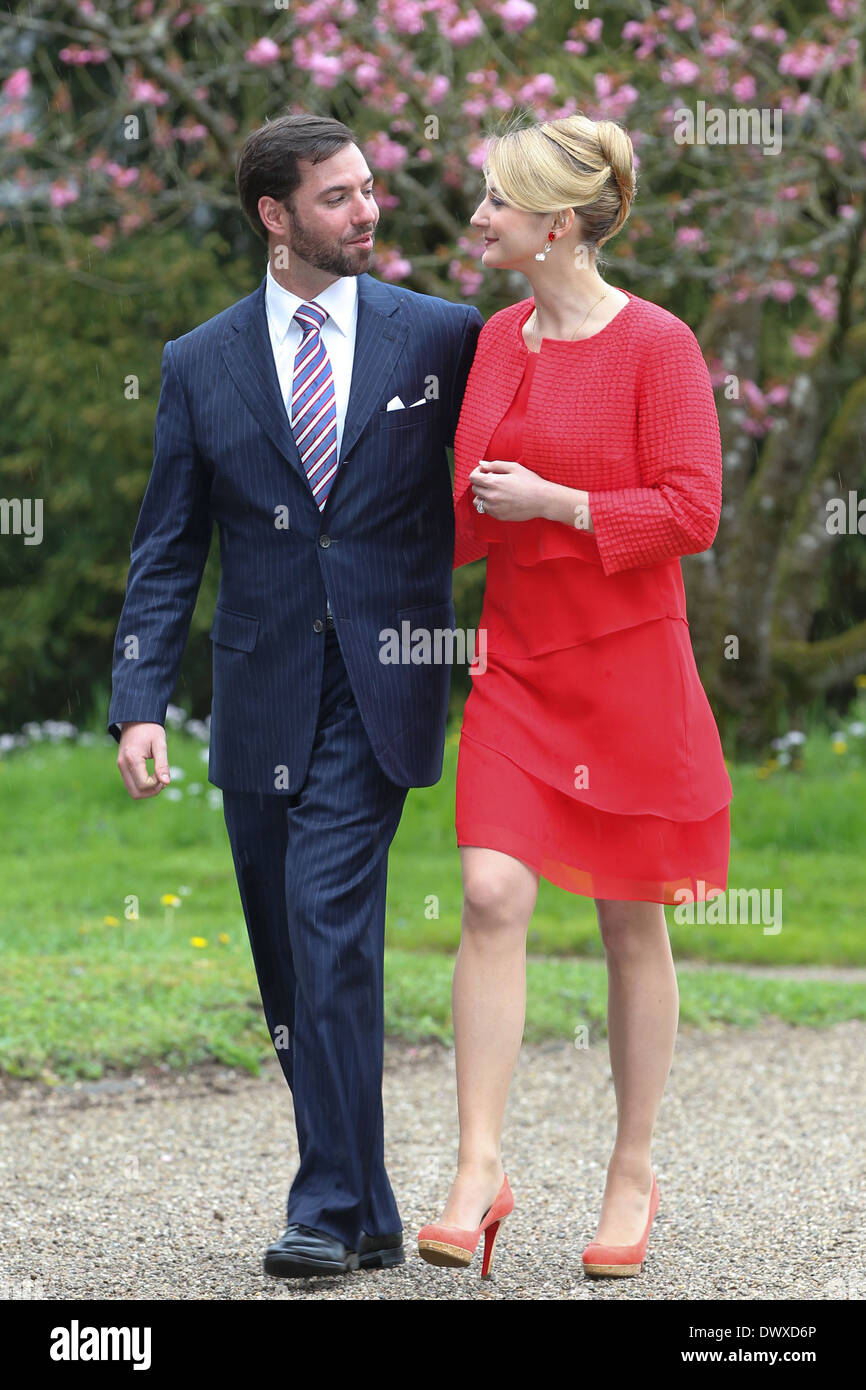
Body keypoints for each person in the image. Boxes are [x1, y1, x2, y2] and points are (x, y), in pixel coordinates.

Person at [109, 112, 483, 1279]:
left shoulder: (443, 337)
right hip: (258, 692)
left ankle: (319, 1203)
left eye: (368, 189)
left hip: (384, 682)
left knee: (325, 921)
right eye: (337, 196)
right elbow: (167, 548)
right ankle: (367, 1202)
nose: (367, 211)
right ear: (274, 217)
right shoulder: (197, 361)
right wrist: (138, 699)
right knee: (292, 957)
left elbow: (499, 480)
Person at [417, 113, 732, 1279]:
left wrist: (557, 504)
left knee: (627, 917)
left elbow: (692, 510)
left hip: (629, 671)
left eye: (495, 201)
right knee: (492, 893)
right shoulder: (496, 340)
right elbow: (459, 509)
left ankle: (630, 1169)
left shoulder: (658, 344)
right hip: (517, 665)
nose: (477, 217)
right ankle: (476, 1168)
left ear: (555, 222)